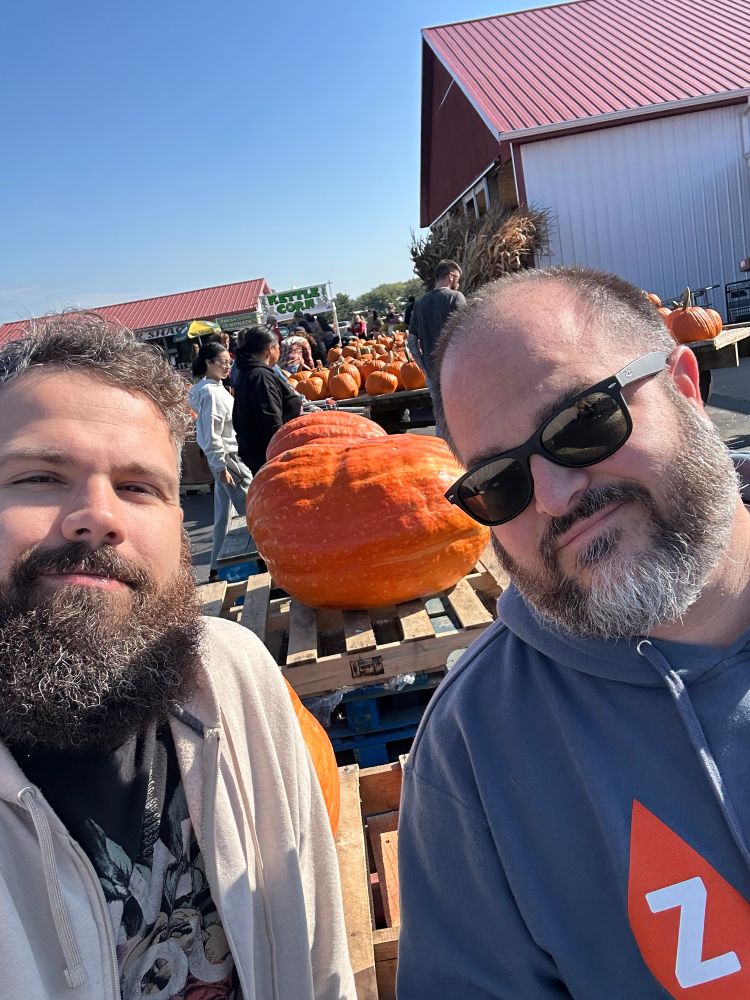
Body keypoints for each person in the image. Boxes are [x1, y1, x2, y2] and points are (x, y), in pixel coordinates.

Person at [396, 264, 750, 998]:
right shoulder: (475, 752)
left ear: (687, 385)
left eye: (585, 421)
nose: (556, 497)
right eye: (501, 481)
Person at [0, 312, 355, 999]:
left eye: (139, 488)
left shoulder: (233, 675)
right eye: (40, 476)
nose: (98, 515)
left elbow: (318, 954)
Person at [188, 342, 252, 582]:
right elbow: (211, 432)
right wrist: (220, 466)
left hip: (225, 458)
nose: (228, 366)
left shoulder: (215, 388)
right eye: (222, 362)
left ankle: (215, 568)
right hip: (228, 459)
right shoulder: (211, 393)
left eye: (229, 362)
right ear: (208, 363)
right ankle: (268, 560)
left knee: (224, 517)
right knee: (253, 510)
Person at [233, 325, 303, 474]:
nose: (279, 350)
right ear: (269, 349)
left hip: (261, 455)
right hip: (272, 458)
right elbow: (270, 421)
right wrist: (284, 456)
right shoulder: (260, 377)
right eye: (277, 346)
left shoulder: (247, 372)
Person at [407, 259, 466, 389]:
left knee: (439, 409)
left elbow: (411, 343)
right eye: (458, 278)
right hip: (456, 372)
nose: (459, 283)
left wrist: (425, 369)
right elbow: (466, 334)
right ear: (450, 276)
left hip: (433, 375)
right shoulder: (456, 297)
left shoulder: (419, 304)